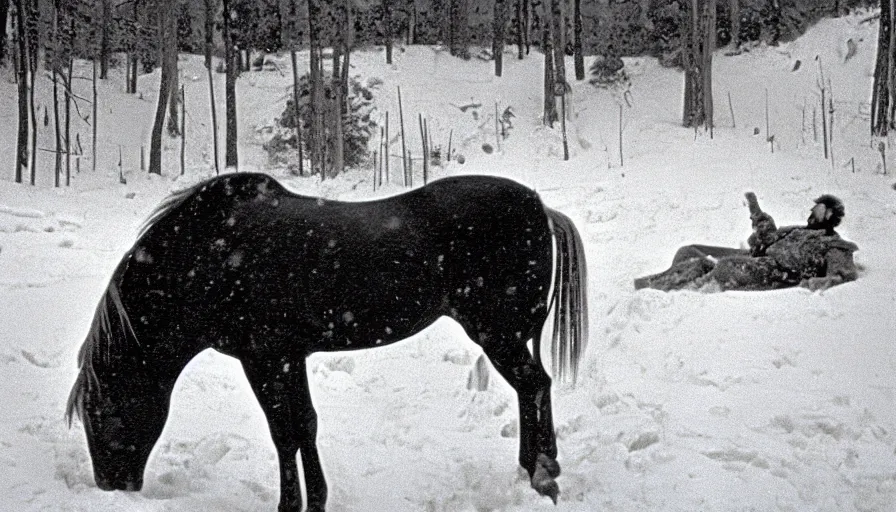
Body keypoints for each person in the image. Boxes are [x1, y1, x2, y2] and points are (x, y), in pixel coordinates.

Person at [634, 193, 859, 292]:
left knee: (723, 267)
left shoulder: (833, 244)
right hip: (757, 258)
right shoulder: (798, 230)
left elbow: (842, 275)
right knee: (689, 251)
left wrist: (813, 284)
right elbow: (768, 239)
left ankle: (663, 288)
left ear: (829, 214)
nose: (811, 210)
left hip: (776, 271)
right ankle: (668, 280)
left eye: (818, 208)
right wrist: (758, 214)